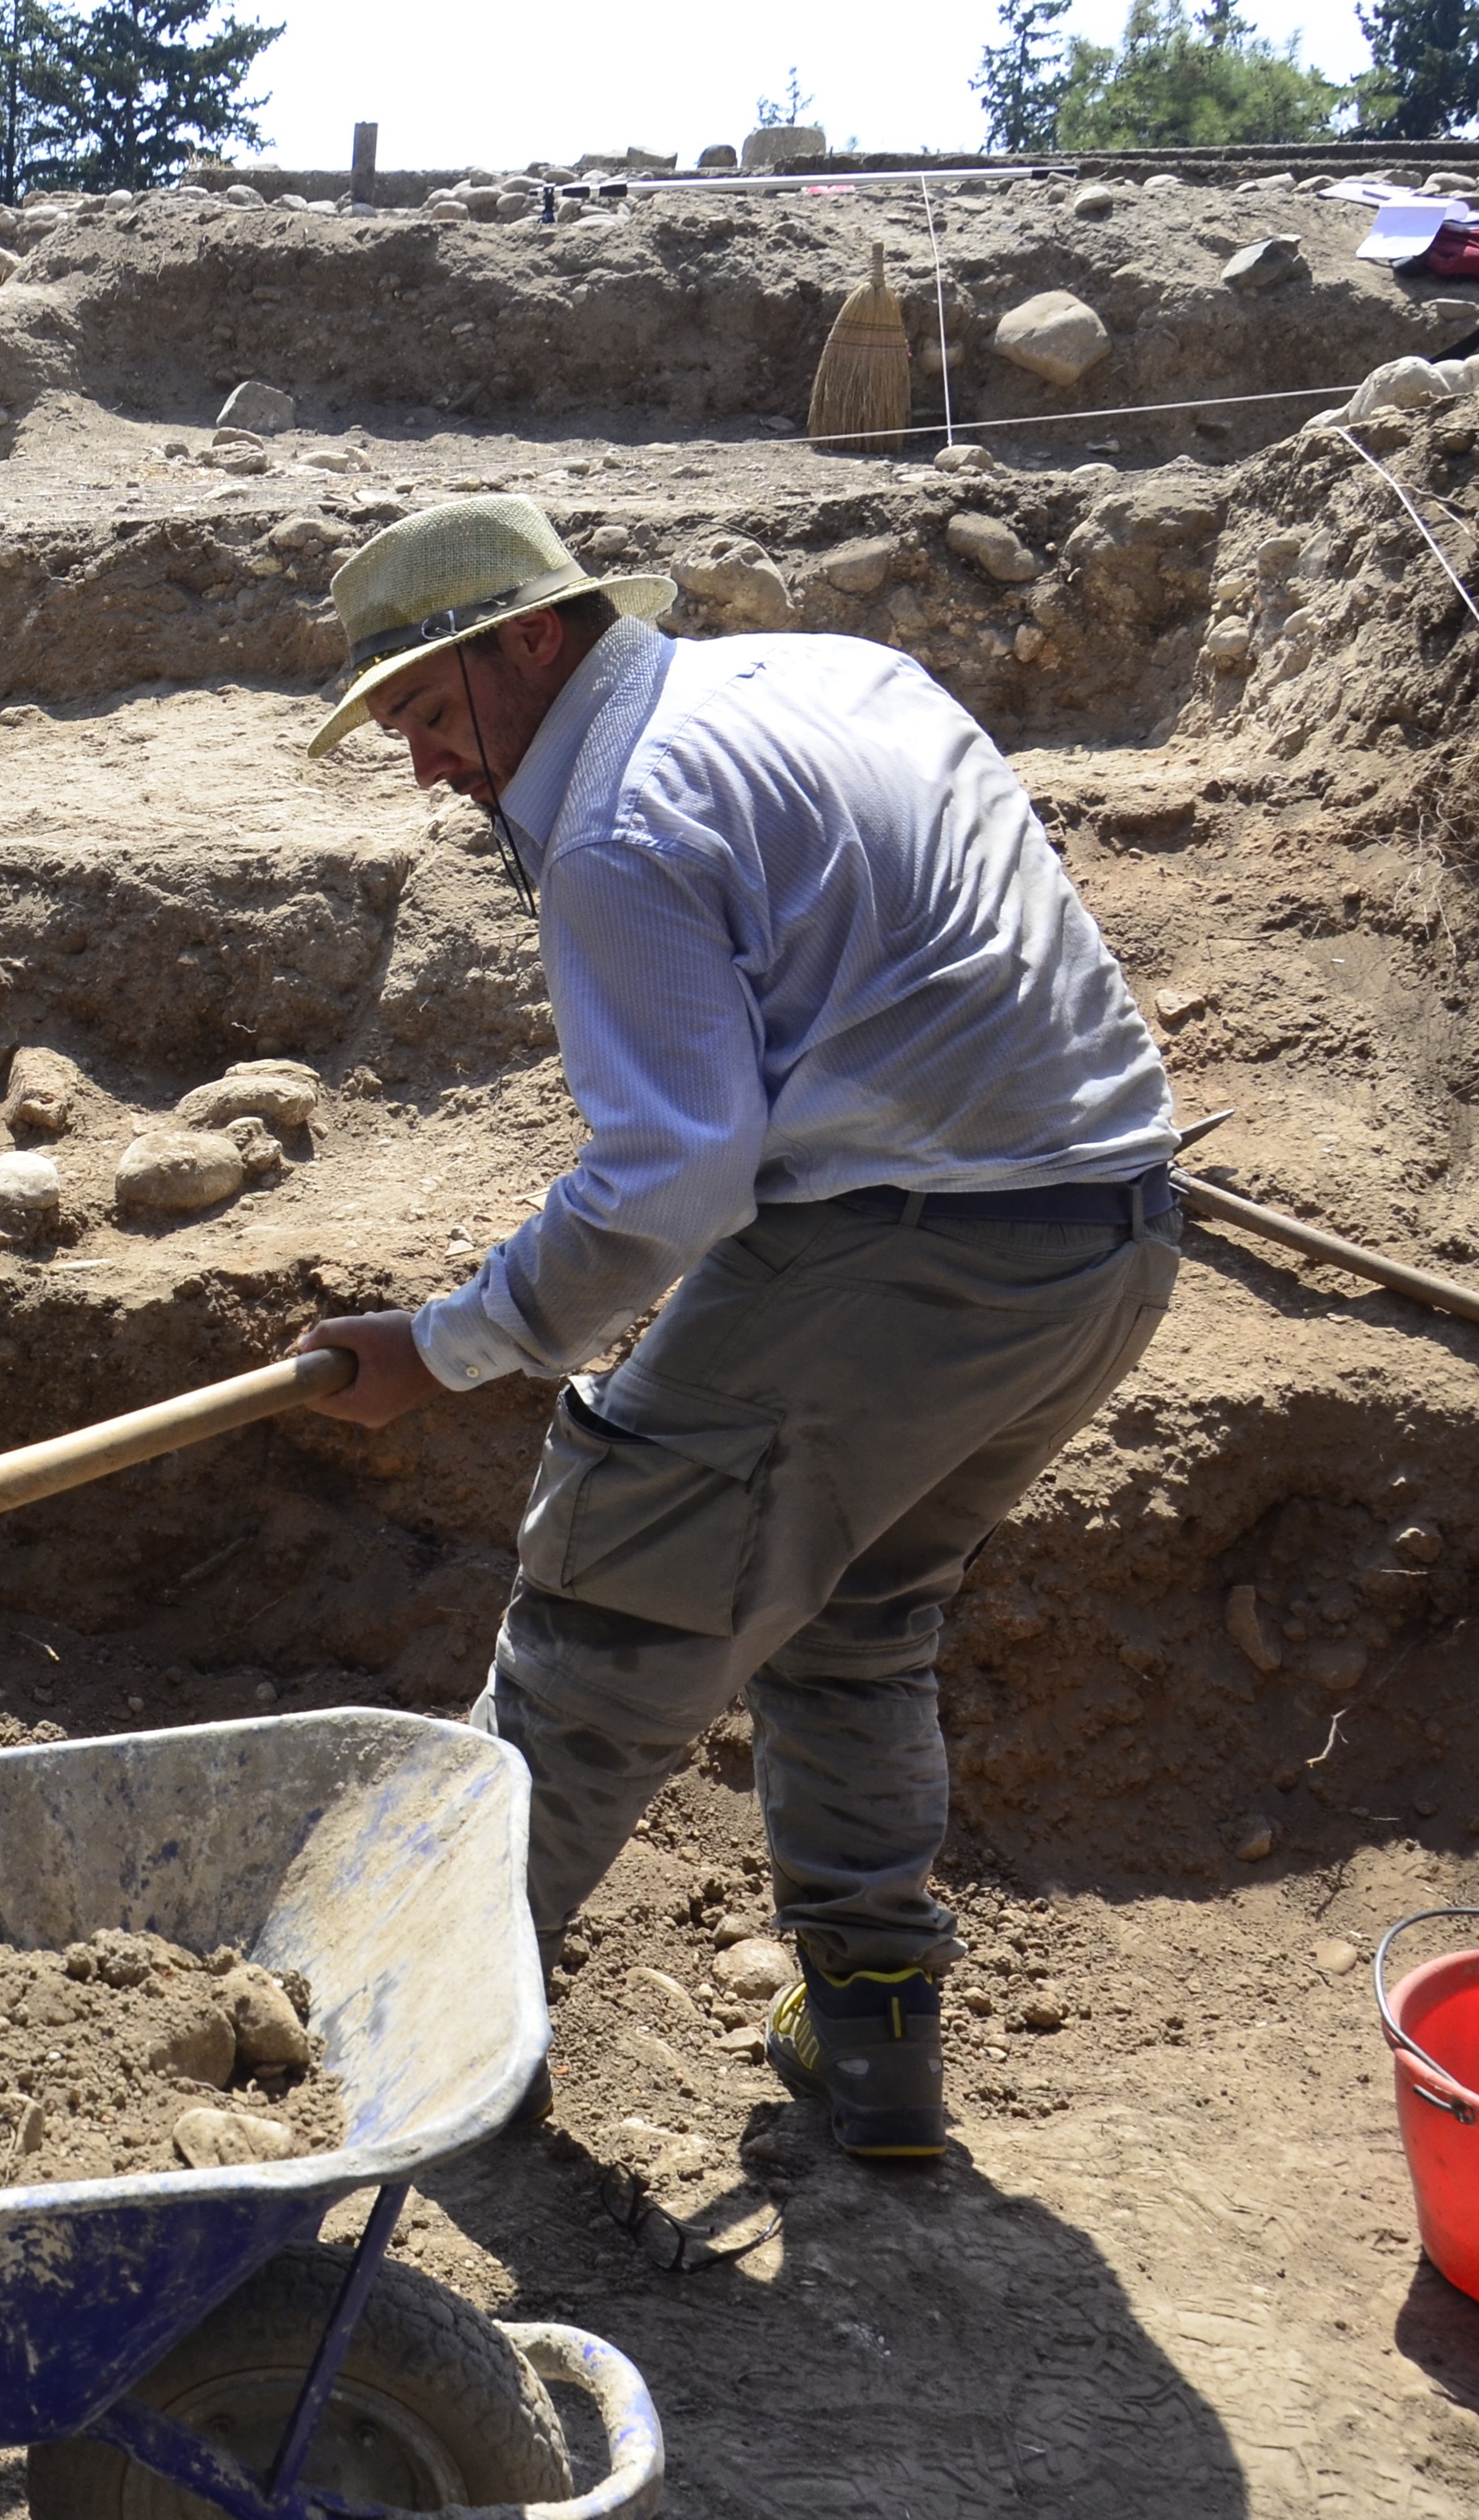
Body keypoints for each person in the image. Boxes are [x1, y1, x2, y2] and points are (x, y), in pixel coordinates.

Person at [290, 497, 1179, 2162]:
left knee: (597, 1632)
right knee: (855, 1619)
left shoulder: (617, 824)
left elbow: (672, 1181)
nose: (423, 767)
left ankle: (419, 2045)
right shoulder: (836, 676)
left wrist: (448, 1346)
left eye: (424, 712)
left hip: (902, 1258)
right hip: (1109, 1236)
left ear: (526, 640)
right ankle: (874, 2050)